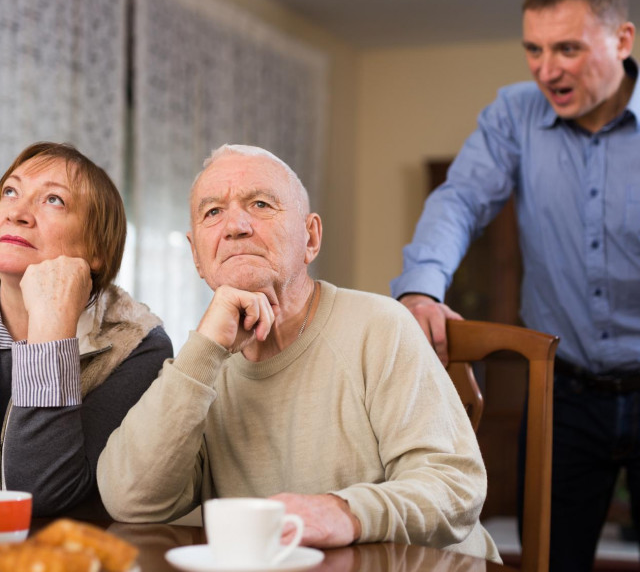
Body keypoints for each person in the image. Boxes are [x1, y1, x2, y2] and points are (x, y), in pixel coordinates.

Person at [97, 144, 500, 562]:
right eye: (212, 212)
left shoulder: (381, 325)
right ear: (197, 255)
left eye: (260, 203)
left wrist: (346, 512)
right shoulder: (201, 365)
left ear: (311, 237)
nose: (235, 225)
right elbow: (130, 501)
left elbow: (455, 485)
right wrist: (204, 350)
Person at [391, 0, 640, 571]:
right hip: (563, 392)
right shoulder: (514, 114)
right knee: (549, 561)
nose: (546, 69)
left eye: (568, 49)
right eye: (533, 48)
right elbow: (461, 199)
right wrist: (422, 289)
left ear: (623, 40)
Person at [0, 141, 172, 518]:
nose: (16, 213)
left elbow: (40, 493)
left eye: (54, 200)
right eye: (10, 191)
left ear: (96, 250)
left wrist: (50, 328)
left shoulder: (139, 346)